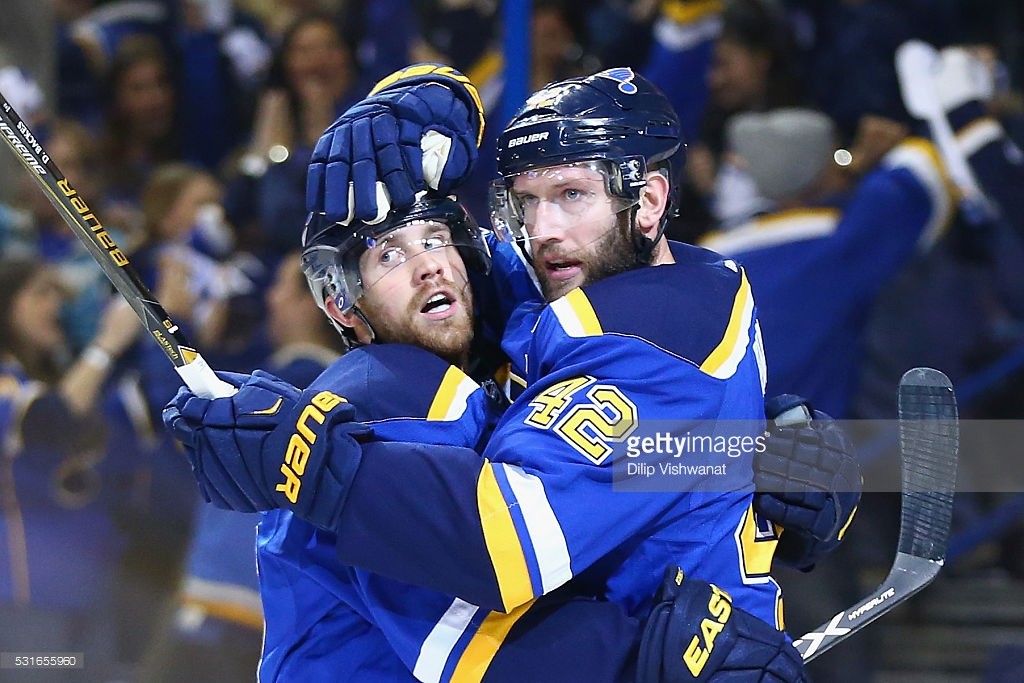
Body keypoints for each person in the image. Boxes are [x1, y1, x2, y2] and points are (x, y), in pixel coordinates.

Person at [165, 65, 859, 680]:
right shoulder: (387, 396)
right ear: (341, 306)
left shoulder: (589, 328)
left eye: (570, 195)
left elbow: (510, 528)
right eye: (527, 203)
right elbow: (487, 614)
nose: (544, 230)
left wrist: (746, 453)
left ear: (648, 203)